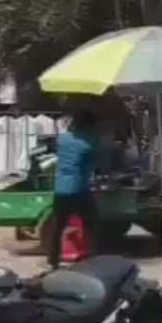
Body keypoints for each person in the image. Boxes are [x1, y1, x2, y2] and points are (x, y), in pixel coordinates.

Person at [49, 111, 99, 269]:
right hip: (79, 188)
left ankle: (53, 260)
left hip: (61, 188)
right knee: (92, 223)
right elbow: (96, 163)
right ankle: (94, 257)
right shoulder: (88, 143)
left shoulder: (62, 139)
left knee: (58, 226)